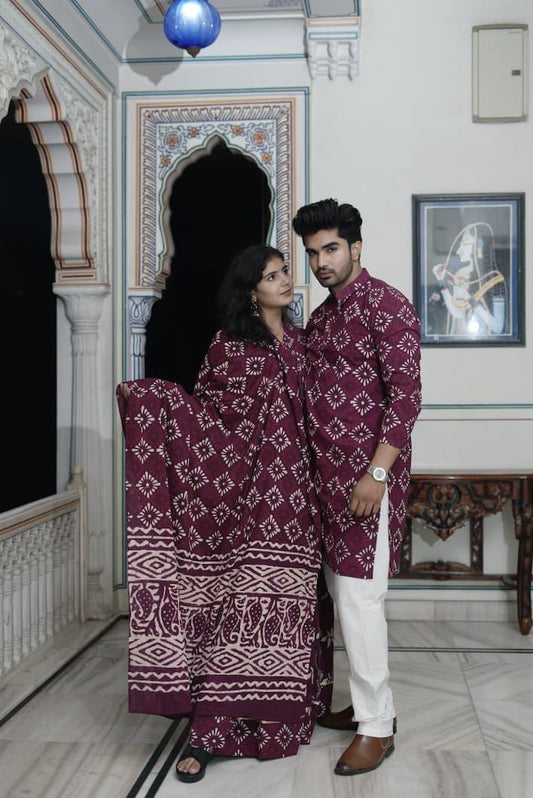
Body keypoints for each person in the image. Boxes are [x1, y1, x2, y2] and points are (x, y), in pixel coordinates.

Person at [117, 244, 332, 784]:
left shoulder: (307, 346)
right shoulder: (229, 348)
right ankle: (209, 734)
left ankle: (277, 721)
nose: (285, 281)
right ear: (250, 290)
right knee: (237, 613)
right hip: (250, 504)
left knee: (289, 615)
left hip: (299, 506)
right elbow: (210, 424)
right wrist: (155, 404)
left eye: (285, 272)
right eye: (271, 276)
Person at [292, 199, 422, 776]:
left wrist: (375, 474)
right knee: (340, 601)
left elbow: (407, 398)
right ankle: (368, 707)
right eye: (313, 252)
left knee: (359, 601)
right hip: (325, 487)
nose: (321, 260)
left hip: (366, 484)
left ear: (356, 248)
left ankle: (377, 727)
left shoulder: (386, 304)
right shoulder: (322, 317)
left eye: (331, 249)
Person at [430, 222, 506, 336]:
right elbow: (458, 313)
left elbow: (498, 328)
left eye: (465, 244)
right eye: (460, 244)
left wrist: (470, 299)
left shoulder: (496, 281)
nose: (459, 250)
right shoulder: (461, 274)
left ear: (478, 247)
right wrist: (442, 281)